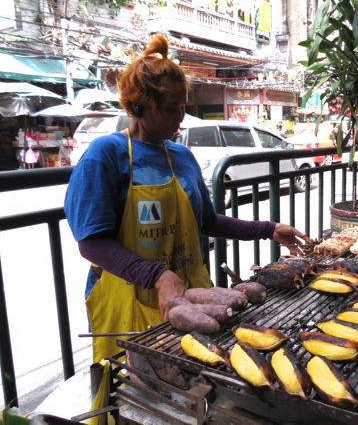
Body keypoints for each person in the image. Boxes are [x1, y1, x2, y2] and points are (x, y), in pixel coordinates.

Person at [64, 34, 306, 363]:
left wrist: (268, 228)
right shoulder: (106, 155)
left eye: (183, 108)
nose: (180, 118)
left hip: (193, 298)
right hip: (128, 302)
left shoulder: (182, 156)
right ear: (137, 106)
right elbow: (91, 242)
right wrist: (157, 276)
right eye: (169, 109)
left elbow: (205, 221)